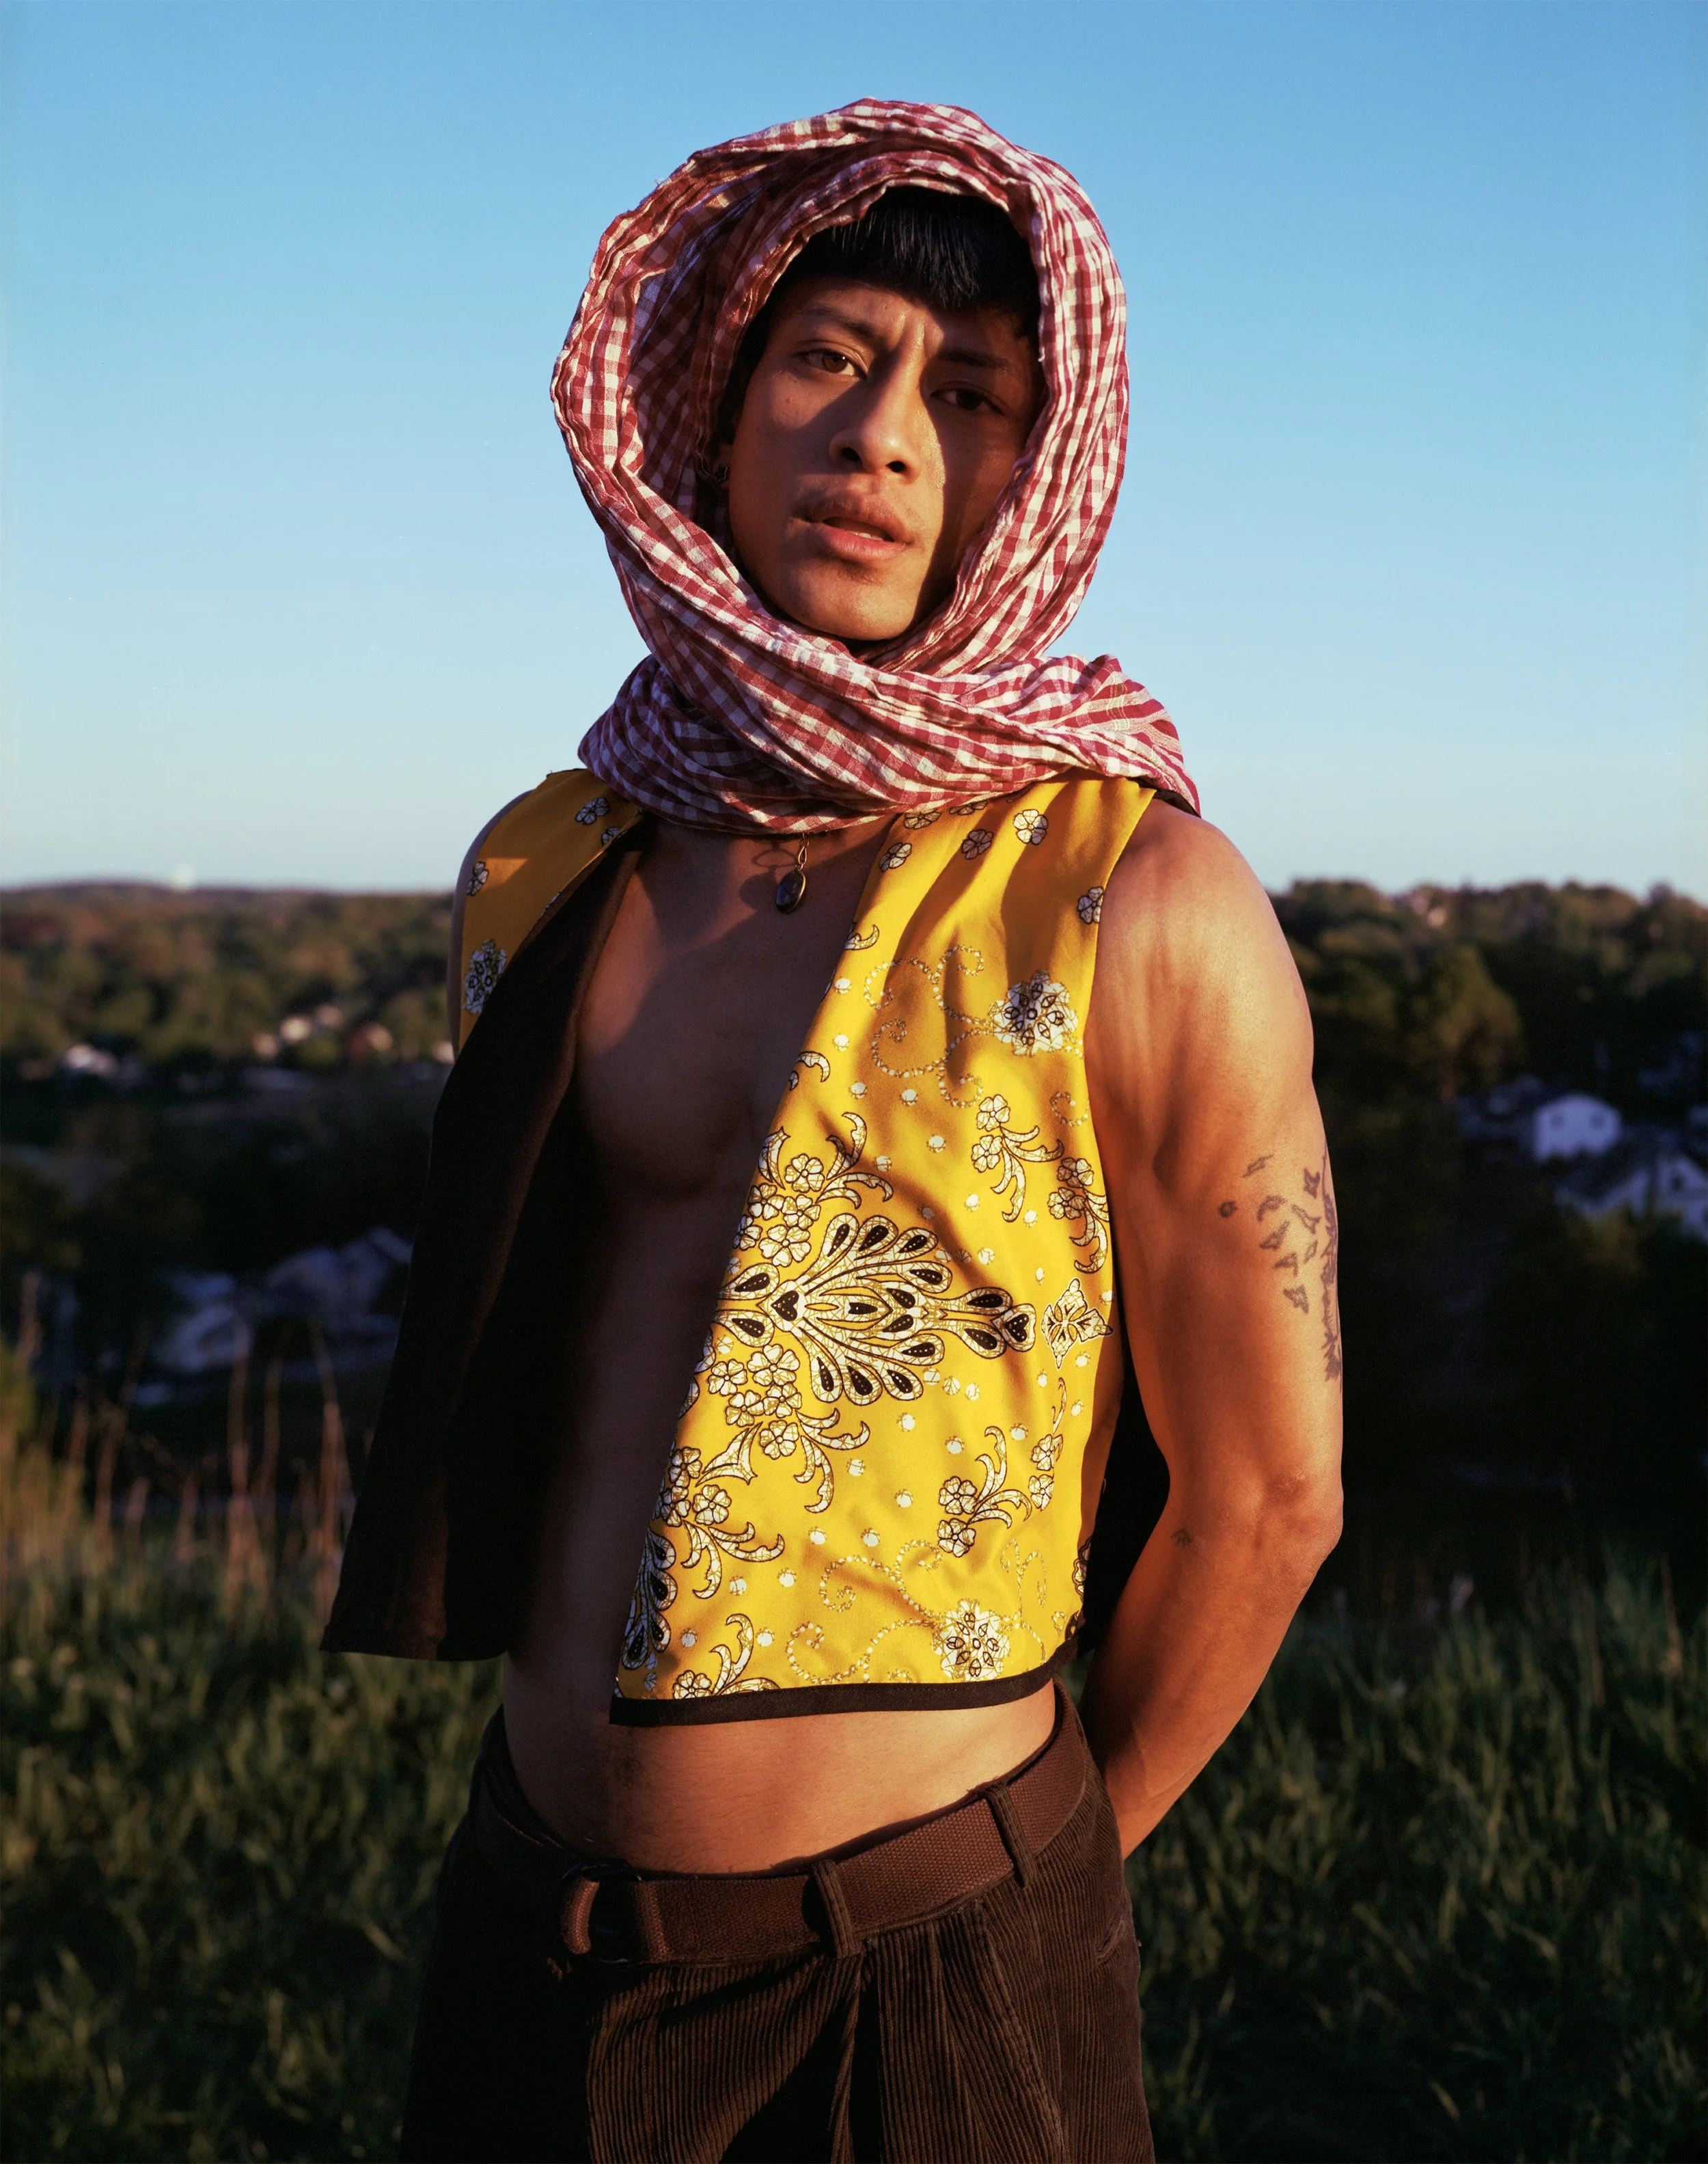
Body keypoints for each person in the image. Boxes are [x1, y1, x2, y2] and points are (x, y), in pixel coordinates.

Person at [326, 100, 1342, 2164]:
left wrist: (1016, 1881)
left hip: (931, 1959)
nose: (881, 433)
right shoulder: (551, 861)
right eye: (826, 356)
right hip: (538, 1917)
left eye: (964, 394)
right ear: (714, 407)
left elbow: (1264, 1497)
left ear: (1030, 475)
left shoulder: (1134, 897)